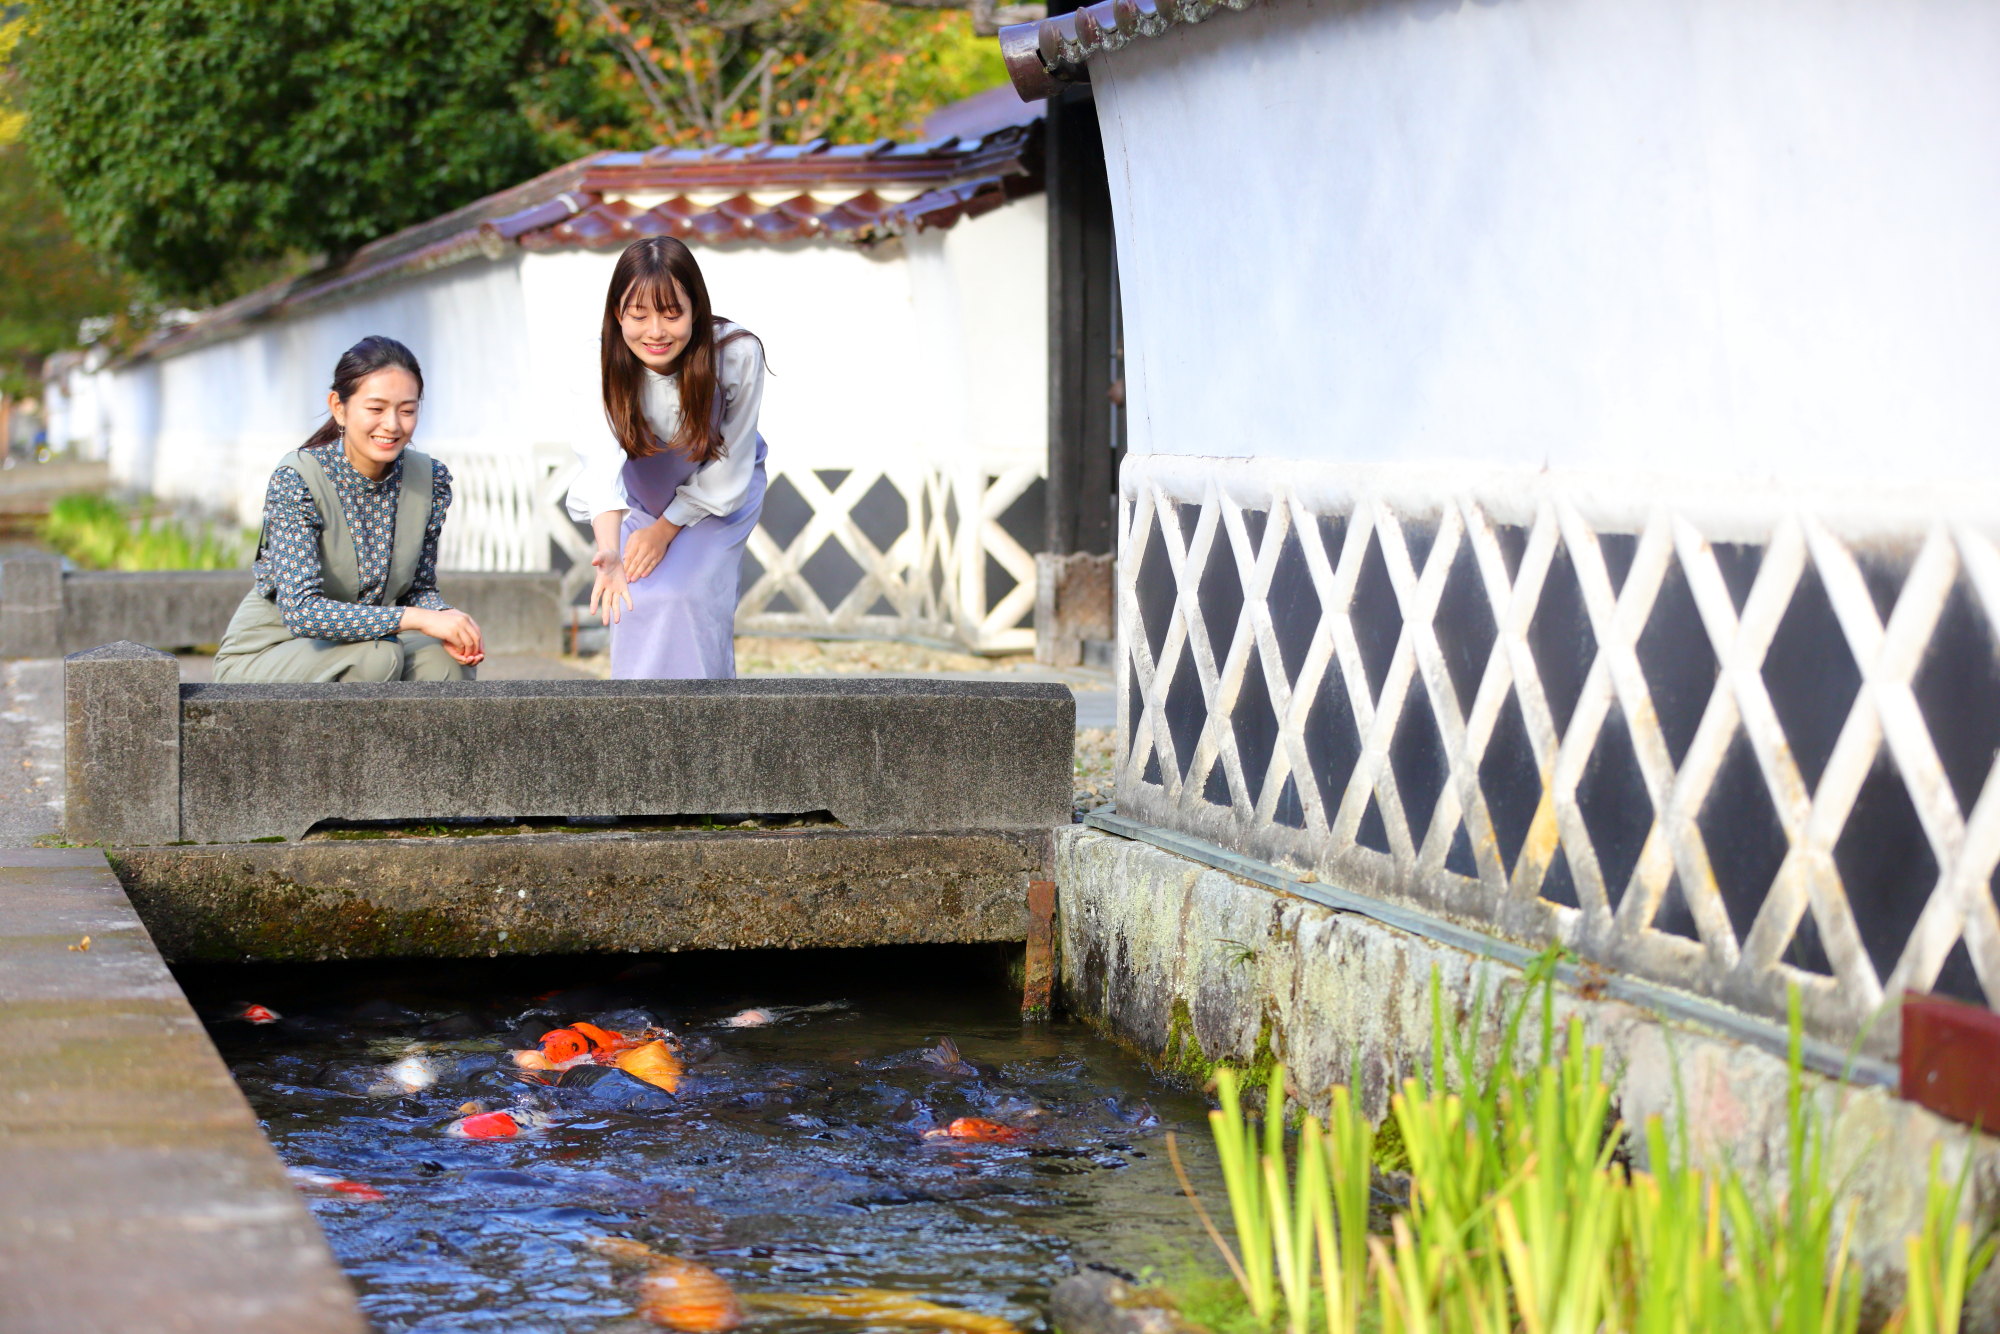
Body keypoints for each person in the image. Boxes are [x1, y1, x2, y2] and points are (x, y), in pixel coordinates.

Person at [212, 336, 484, 682]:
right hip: (272, 651)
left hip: (367, 642)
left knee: (444, 661)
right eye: (376, 409)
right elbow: (302, 612)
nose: (393, 425)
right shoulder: (298, 479)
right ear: (339, 407)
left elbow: (418, 589)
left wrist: (450, 619)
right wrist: (415, 619)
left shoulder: (431, 480)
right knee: (376, 658)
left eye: (407, 410)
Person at [565, 236, 767, 679]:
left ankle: (707, 730)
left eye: (672, 314)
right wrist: (609, 550)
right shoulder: (594, 362)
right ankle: (637, 732)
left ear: (696, 309)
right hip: (639, 498)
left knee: (686, 598)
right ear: (618, 314)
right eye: (639, 315)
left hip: (717, 495)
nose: (655, 332)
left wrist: (664, 531)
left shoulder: (735, 355)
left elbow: (732, 462)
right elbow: (600, 462)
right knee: (634, 598)